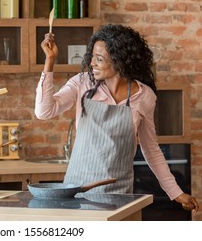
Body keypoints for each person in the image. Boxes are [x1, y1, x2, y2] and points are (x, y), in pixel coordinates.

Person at [35, 24, 199, 215]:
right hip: (78, 192)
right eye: (92, 57)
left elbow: (151, 150)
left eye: (99, 59)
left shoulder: (144, 97)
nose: (92, 64)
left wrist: (176, 193)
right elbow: (44, 112)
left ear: (120, 61)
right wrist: (50, 61)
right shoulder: (82, 83)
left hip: (119, 195)